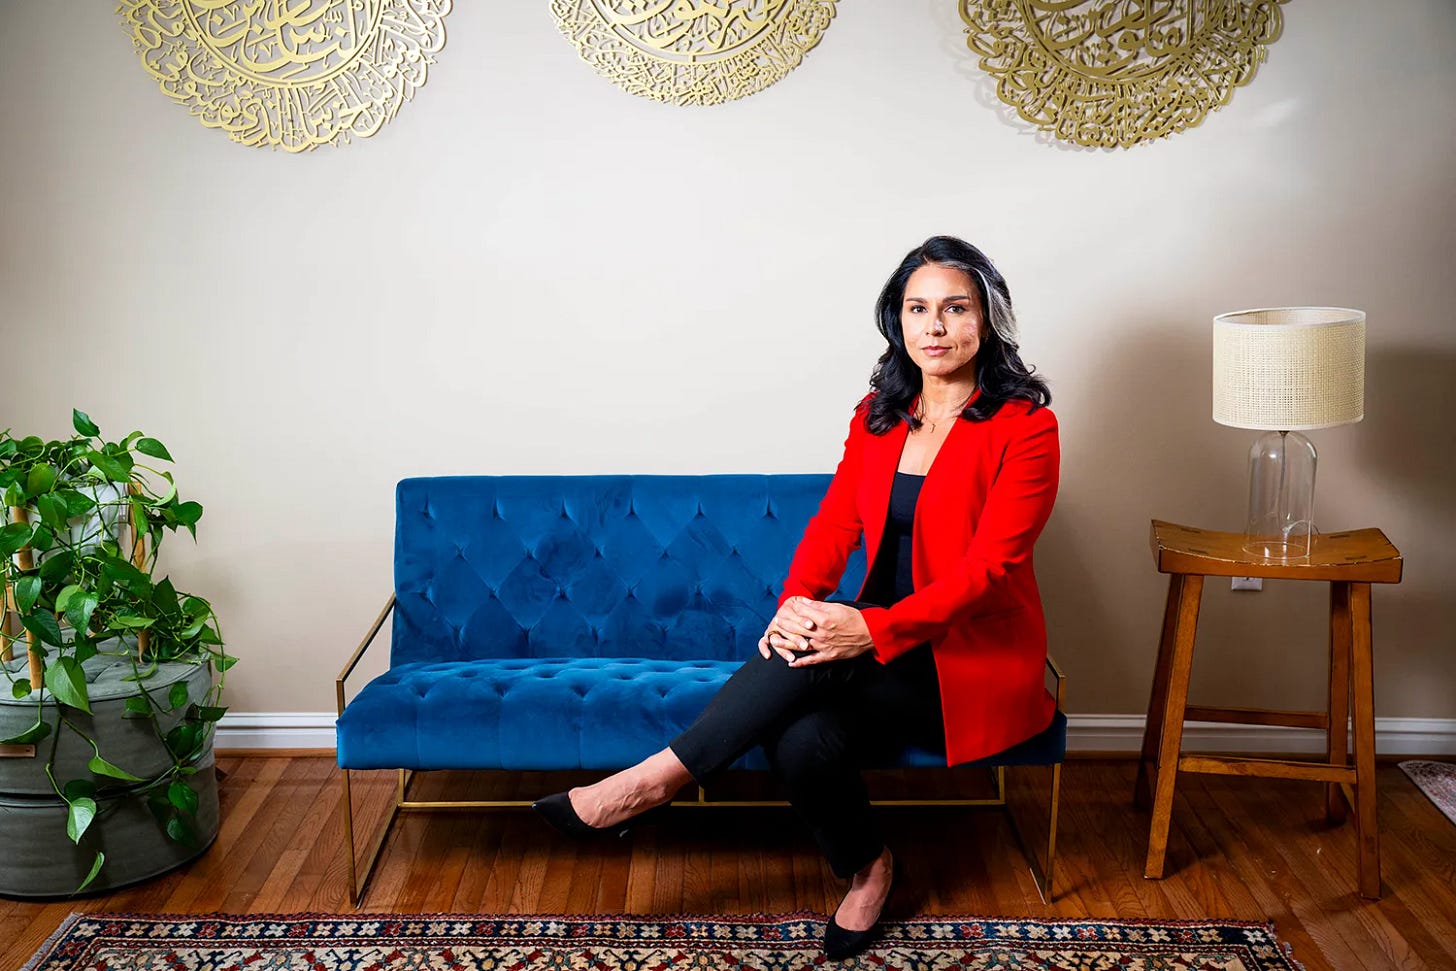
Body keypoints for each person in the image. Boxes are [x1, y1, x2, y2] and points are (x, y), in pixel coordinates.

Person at [533, 235, 1060, 960]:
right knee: (800, 735)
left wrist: (867, 631)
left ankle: (652, 782)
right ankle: (870, 867)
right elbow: (836, 521)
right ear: (897, 322)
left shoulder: (1026, 427)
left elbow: (989, 571)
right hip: (875, 648)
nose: (935, 326)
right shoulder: (879, 413)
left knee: (821, 652)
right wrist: (795, 603)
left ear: (987, 318)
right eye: (918, 308)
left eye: (955, 307)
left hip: (965, 662)